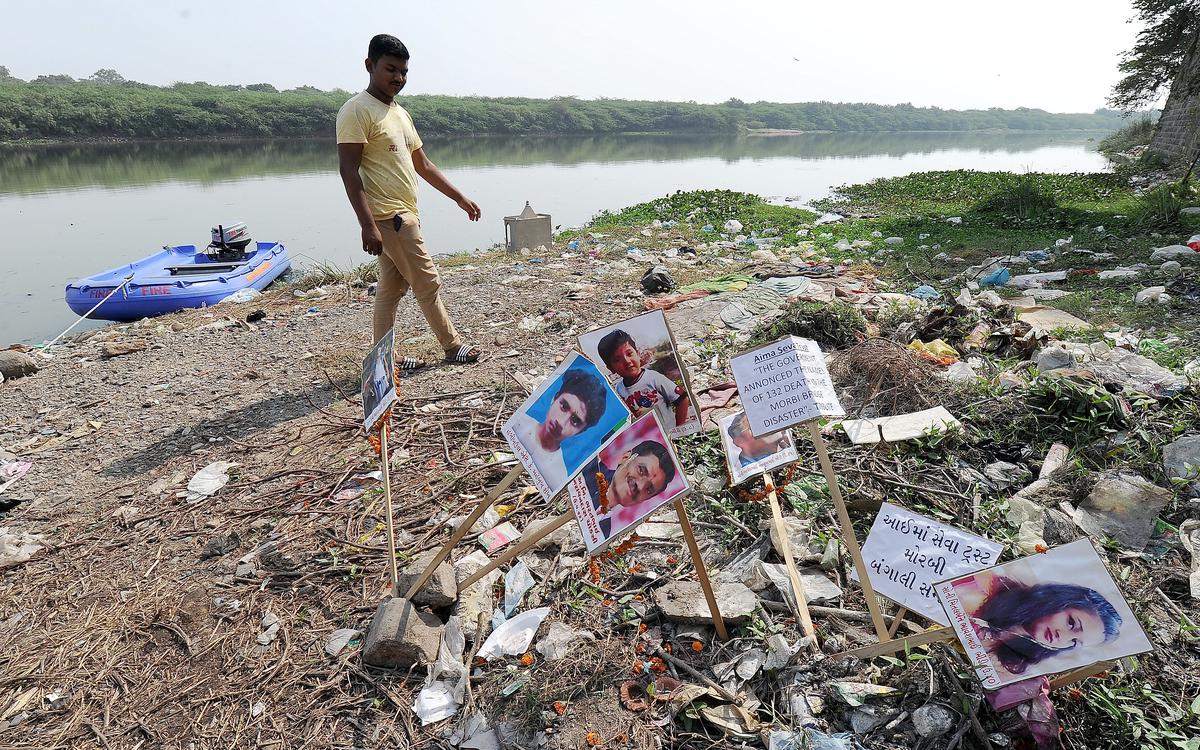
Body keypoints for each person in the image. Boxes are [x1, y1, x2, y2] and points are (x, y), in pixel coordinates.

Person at [336, 34, 482, 370]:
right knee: (427, 281)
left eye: (403, 72)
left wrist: (459, 198)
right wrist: (367, 225)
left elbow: (423, 164)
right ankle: (452, 346)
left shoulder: (398, 113)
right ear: (370, 65)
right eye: (390, 69)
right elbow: (348, 170)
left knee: (391, 287)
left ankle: (384, 360)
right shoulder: (357, 110)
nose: (398, 78)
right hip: (390, 218)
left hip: (405, 214)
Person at [953, 571, 1123, 677]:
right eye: (1071, 624)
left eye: (1074, 642)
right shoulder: (987, 587)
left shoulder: (1017, 666)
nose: (1061, 638)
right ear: (1059, 600)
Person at [511, 368, 608, 490]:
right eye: (564, 406)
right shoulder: (517, 425)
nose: (561, 422)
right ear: (555, 398)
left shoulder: (557, 477)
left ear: (581, 431)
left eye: (575, 421)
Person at [596, 329, 689, 429]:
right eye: (617, 360)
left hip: (668, 433)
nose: (627, 361)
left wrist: (679, 428)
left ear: (638, 353)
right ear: (611, 368)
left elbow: (682, 399)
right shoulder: (618, 390)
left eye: (629, 354)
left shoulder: (653, 378)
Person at [584, 440, 677, 538]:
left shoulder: (602, 533)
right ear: (626, 458)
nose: (640, 486)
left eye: (649, 489)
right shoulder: (585, 474)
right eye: (641, 470)